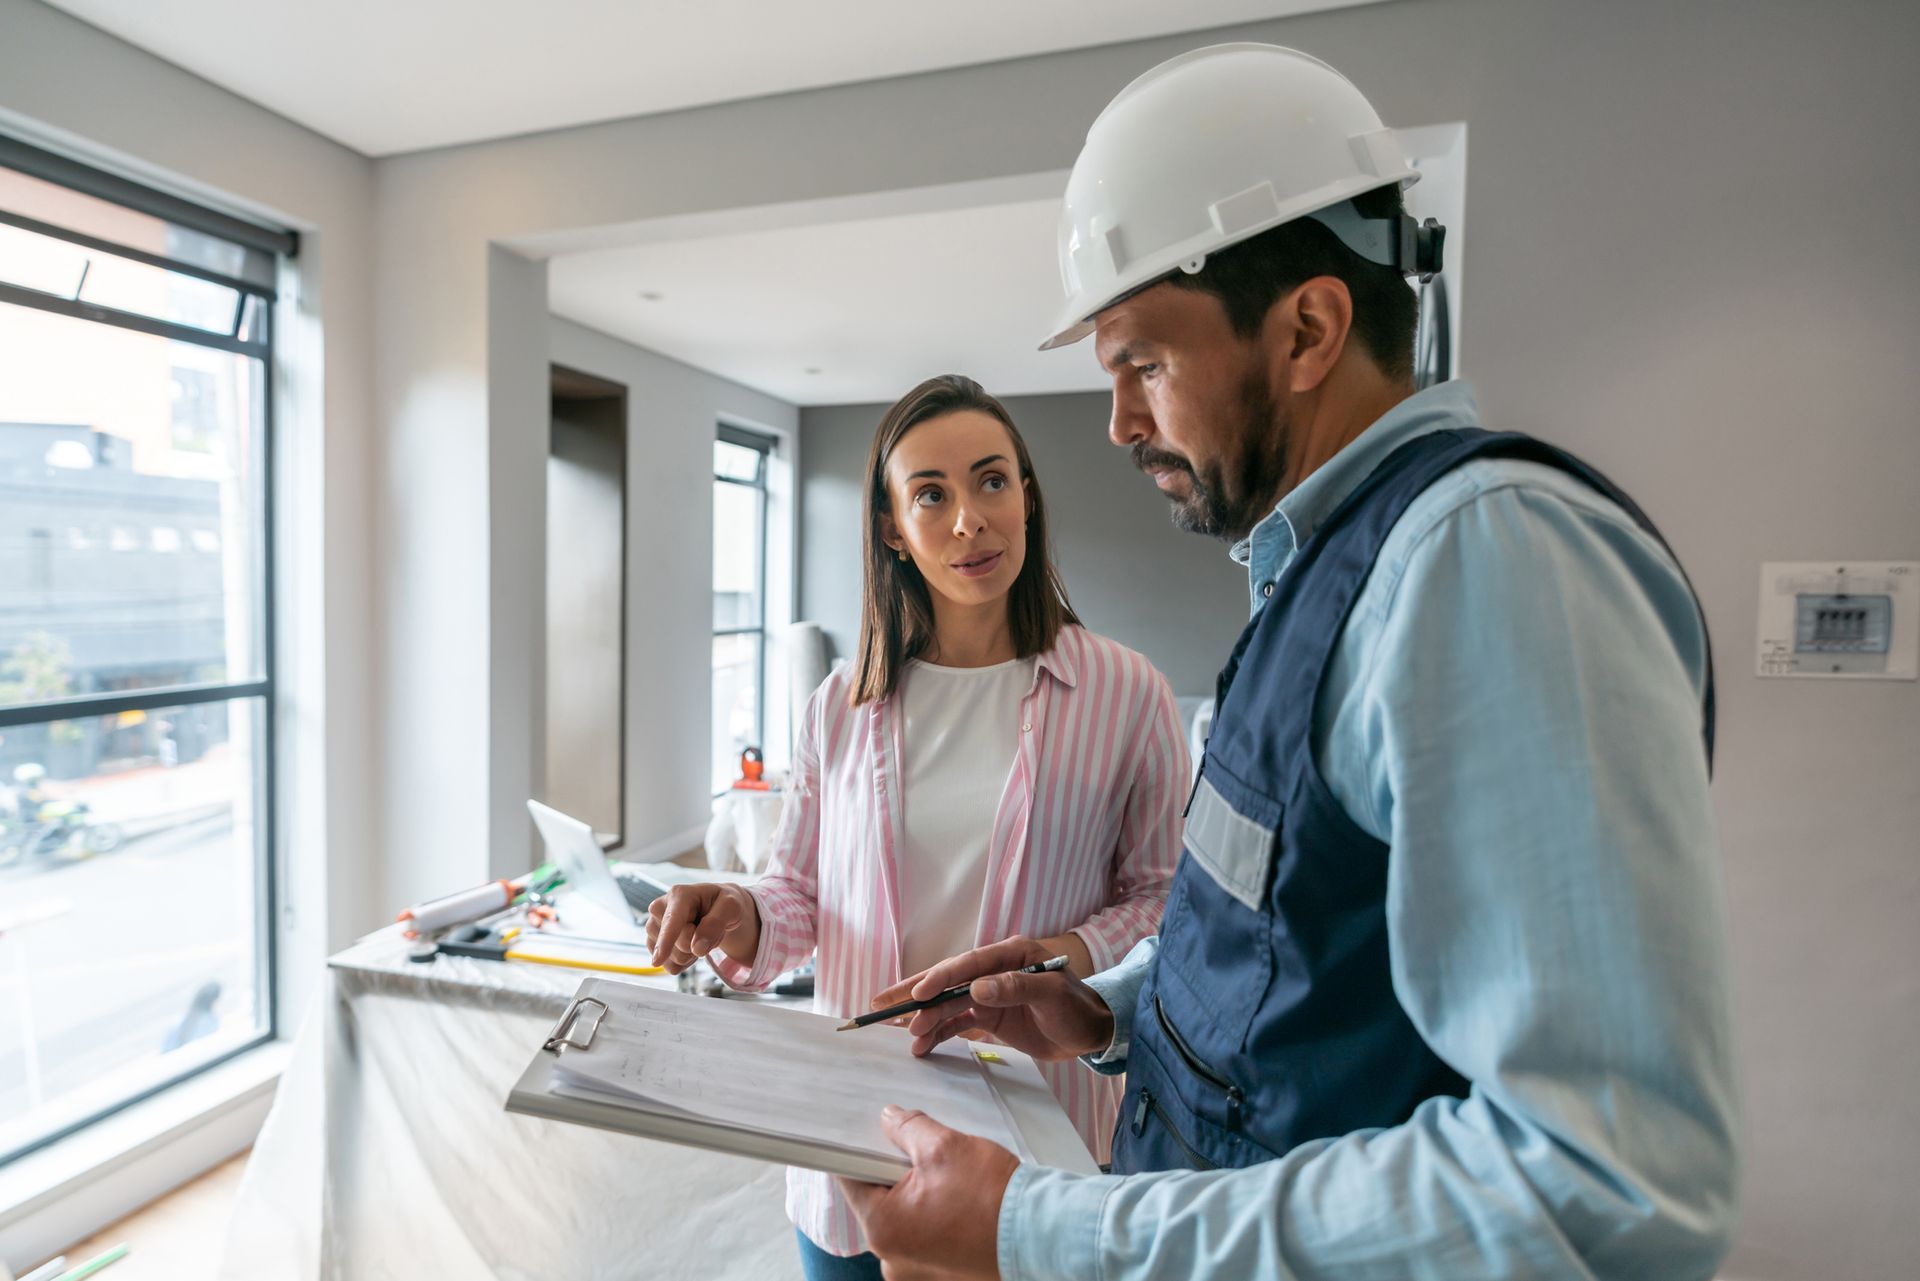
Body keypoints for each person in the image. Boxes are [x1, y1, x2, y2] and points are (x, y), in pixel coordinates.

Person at [842, 44, 1741, 1280]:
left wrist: (1033, 1229)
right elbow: (1296, 944)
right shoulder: (1327, 575)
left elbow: (1602, 1180)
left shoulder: (1488, 563)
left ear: (1310, 326)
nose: (1118, 425)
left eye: (1143, 365)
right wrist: (1106, 1005)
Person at [646, 375, 1188, 1280]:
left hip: (1042, 1156)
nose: (969, 519)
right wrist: (738, 909)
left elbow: (1165, 902)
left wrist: (1055, 955)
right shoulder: (840, 706)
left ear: (1027, 495)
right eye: (931, 494)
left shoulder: (1129, 692)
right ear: (893, 526)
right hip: (858, 1152)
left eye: (991, 481)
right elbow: (800, 894)